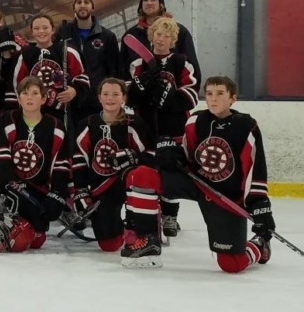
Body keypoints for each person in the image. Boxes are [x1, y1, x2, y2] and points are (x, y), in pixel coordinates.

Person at [121, 76, 275, 271]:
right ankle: (147, 240)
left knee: (231, 264)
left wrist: (259, 204)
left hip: (224, 196)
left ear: (232, 98)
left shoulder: (245, 126)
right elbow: (186, 155)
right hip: (195, 184)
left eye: (220, 93)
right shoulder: (196, 120)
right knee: (142, 175)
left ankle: (259, 245)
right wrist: (170, 154)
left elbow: (255, 167)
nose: (213, 99)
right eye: (209, 94)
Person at [0, 76, 70, 253]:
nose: (29, 97)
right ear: (18, 98)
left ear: (43, 99)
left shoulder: (55, 126)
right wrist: (12, 186)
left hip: (35, 191)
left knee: (33, 241)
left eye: (35, 93)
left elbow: (61, 164)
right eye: (25, 93)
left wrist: (56, 195)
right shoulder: (7, 119)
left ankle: (10, 221)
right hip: (8, 184)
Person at [126, 16, 198, 239]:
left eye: (167, 36)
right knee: (145, 168)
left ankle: (170, 215)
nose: (162, 39)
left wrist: (168, 99)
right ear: (151, 36)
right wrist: (144, 83)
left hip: (174, 126)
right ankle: (144, 213)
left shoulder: (181, 62)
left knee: (170, 168)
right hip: (145, 125)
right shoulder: (138, 64)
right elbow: (130, 96)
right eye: (158, 34)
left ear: (173, 40)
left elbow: (192, 95)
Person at [70, 78, 154, 252]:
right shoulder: (87, 124)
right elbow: (79, 160)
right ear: (99, 97)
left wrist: (133, 157)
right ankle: (116, 228)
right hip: (100, 187)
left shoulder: (134, 123)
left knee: (141, 176)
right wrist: (80, 190)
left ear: (123, 97)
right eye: (106, 94)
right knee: (109, 245)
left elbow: (152, 154)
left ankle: (138, 226)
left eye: (116, 94)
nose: (110, 98)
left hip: (125, 182)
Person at [8, 13, 90, 139]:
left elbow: (82, 76)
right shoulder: (24, 55)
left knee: (63, 145)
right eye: (36, 28)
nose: (41, 31)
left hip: (63, 113)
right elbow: (16, 84)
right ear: (32, 31)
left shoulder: (67, 50)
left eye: (45, 27)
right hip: (34, 113)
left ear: (52, 29)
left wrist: (74, 90)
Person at [57, 0, 120, 123]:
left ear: (93, 6)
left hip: (96, 101)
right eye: (79, 2)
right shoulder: (63, 33)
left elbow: (113, 71)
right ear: (73, 6)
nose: (83, 5)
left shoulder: (107, 36)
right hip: (70, 101)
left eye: (86, 2)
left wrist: (109, 95)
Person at [120, 0, 201, 86]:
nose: (149, 3)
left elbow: (192, 66)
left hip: (172, 94)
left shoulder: (179, 31)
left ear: (161, 4)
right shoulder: (131, 35)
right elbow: (122, 69)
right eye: (145, 0)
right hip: (140, 96)